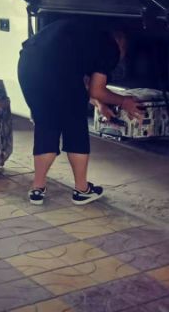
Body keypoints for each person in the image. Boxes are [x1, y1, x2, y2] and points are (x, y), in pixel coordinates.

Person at [17, 18, 141, 206]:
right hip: (57, 72)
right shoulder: (110, 47)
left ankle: (37, 188)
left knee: (46, 124)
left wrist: (99, 104)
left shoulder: (85, 33)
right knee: (75, 128)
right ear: (121, 42)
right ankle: (82, 190)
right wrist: (124, 102)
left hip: (28, 66)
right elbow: (96, 89)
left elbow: (83, 83)